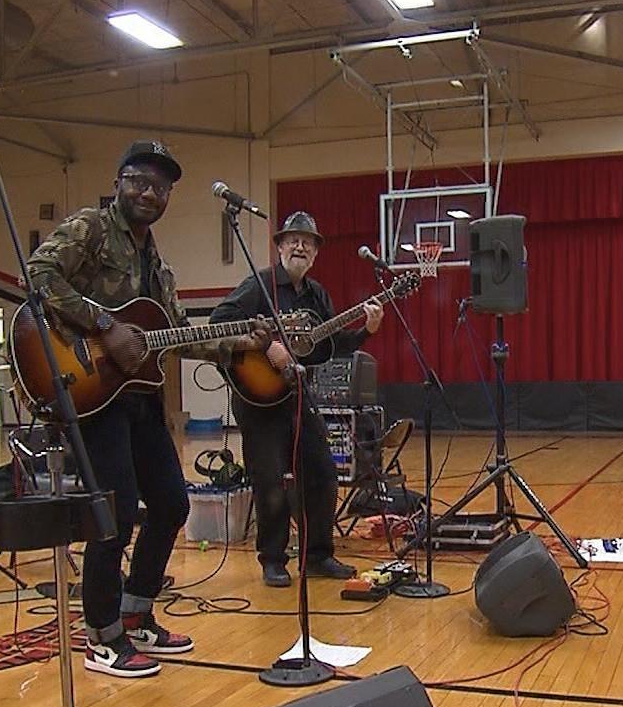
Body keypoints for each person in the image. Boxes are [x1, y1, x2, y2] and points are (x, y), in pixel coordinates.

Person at [25, 139, 267, 678]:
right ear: (119, 182)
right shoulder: (90, 228)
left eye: (160, 187)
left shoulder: (158, 265)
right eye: (139, 180)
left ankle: (136, 614)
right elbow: (37, 274)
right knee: (114, 514)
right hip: (92, 392)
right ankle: (101, 633)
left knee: (172, 504)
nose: (149, 193)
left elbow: (178, 336)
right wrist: (105, 326)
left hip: (139, 398)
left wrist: (243, 342)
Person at [209, 212, 377, 587]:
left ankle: (317, 556)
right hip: (258, 401)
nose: (300, 246)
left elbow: (332, 345)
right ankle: (272, 559)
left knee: (322, 473)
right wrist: (266, 346)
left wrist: (366, 330)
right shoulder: (259, 285)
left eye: (307, 242)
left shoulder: (317, 295)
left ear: (316, 252)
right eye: (293, 240)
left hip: (298, 395)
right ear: (281, 247)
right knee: (270, 480)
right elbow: (219, 322)